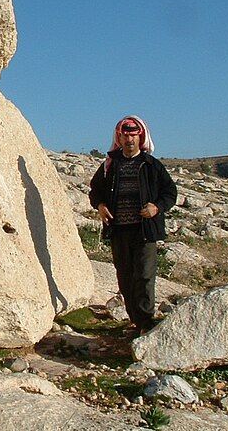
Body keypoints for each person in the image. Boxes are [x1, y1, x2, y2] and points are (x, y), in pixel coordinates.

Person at [88, 115, 177, 334]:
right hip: (119, 230)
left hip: (145, 231)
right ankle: (135, 320)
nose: (129, 140)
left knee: (145, 275)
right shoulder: (110, 166)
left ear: (141, 137)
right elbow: (95, 190)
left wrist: (156, 207)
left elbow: (170, 193)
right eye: (125, 135)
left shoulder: (151, 166)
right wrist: (100, 205)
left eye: (133, 135)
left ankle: (145, 323)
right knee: (125, 276)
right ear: (118, 137)